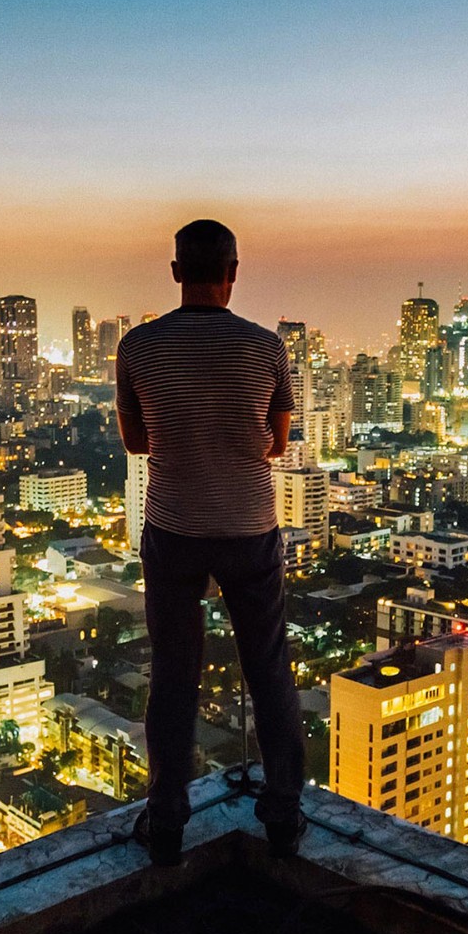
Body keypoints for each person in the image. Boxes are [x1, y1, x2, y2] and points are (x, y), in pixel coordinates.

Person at [116, 218, 306, 865]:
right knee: (269, 670)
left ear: (175, 272)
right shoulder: (266, 349)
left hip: (173, 530)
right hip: (251, 530)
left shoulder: (138, 348)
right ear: (234, 271)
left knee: (174, 675)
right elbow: (277, 444)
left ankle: (166, 823)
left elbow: (136, 442)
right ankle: (283, 816)